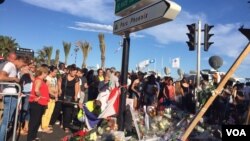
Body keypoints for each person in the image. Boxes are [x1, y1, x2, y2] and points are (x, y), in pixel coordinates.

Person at [0, 55, 29, 141]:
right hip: (10, 96)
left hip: (13, 96)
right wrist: (14, 79)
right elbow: (1, 77)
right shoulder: (10, 65)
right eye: (23, 65)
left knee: (9, 121)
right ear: (19, 60)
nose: (23, 67)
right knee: (6, 121)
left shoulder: (15, 68)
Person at [27, 66, 49, 141]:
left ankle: (33, 137)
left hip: (41, 104)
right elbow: (36, 90)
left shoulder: (40, 80)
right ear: (43, 73)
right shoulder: (39, 80)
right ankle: (30, 138)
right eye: (46, 73)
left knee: (37, 121)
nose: (47, 75)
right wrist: (40, 96)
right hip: (37, 104)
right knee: (34, 121)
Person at [40, 66, 58, 133]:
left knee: (50, 112)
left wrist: (56, 95)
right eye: (55, 72)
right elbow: (47, 88)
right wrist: (53, 94)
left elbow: (56, 86)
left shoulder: (55, 78)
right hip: (48, 97)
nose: (56, 73)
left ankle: (46, 125)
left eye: (56, 72)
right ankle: (43, 126)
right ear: (51, 71)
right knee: (46, 112)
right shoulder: (47, 78)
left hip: (53, 97)